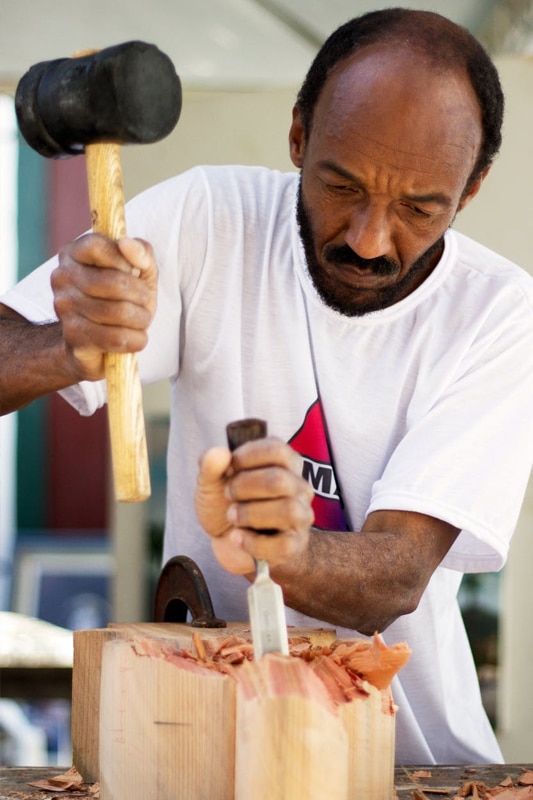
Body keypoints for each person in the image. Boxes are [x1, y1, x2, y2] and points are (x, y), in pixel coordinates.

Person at [1, 7, 533, 765]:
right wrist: (69, 344)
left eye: (419, 208)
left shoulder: (497, 313)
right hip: (199, 745)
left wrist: (290, 550)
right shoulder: (209, 217)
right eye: (341, 185)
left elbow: (397, 574)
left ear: (470, 189)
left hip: (413, 764)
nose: (367, 239)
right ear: (296, 137)